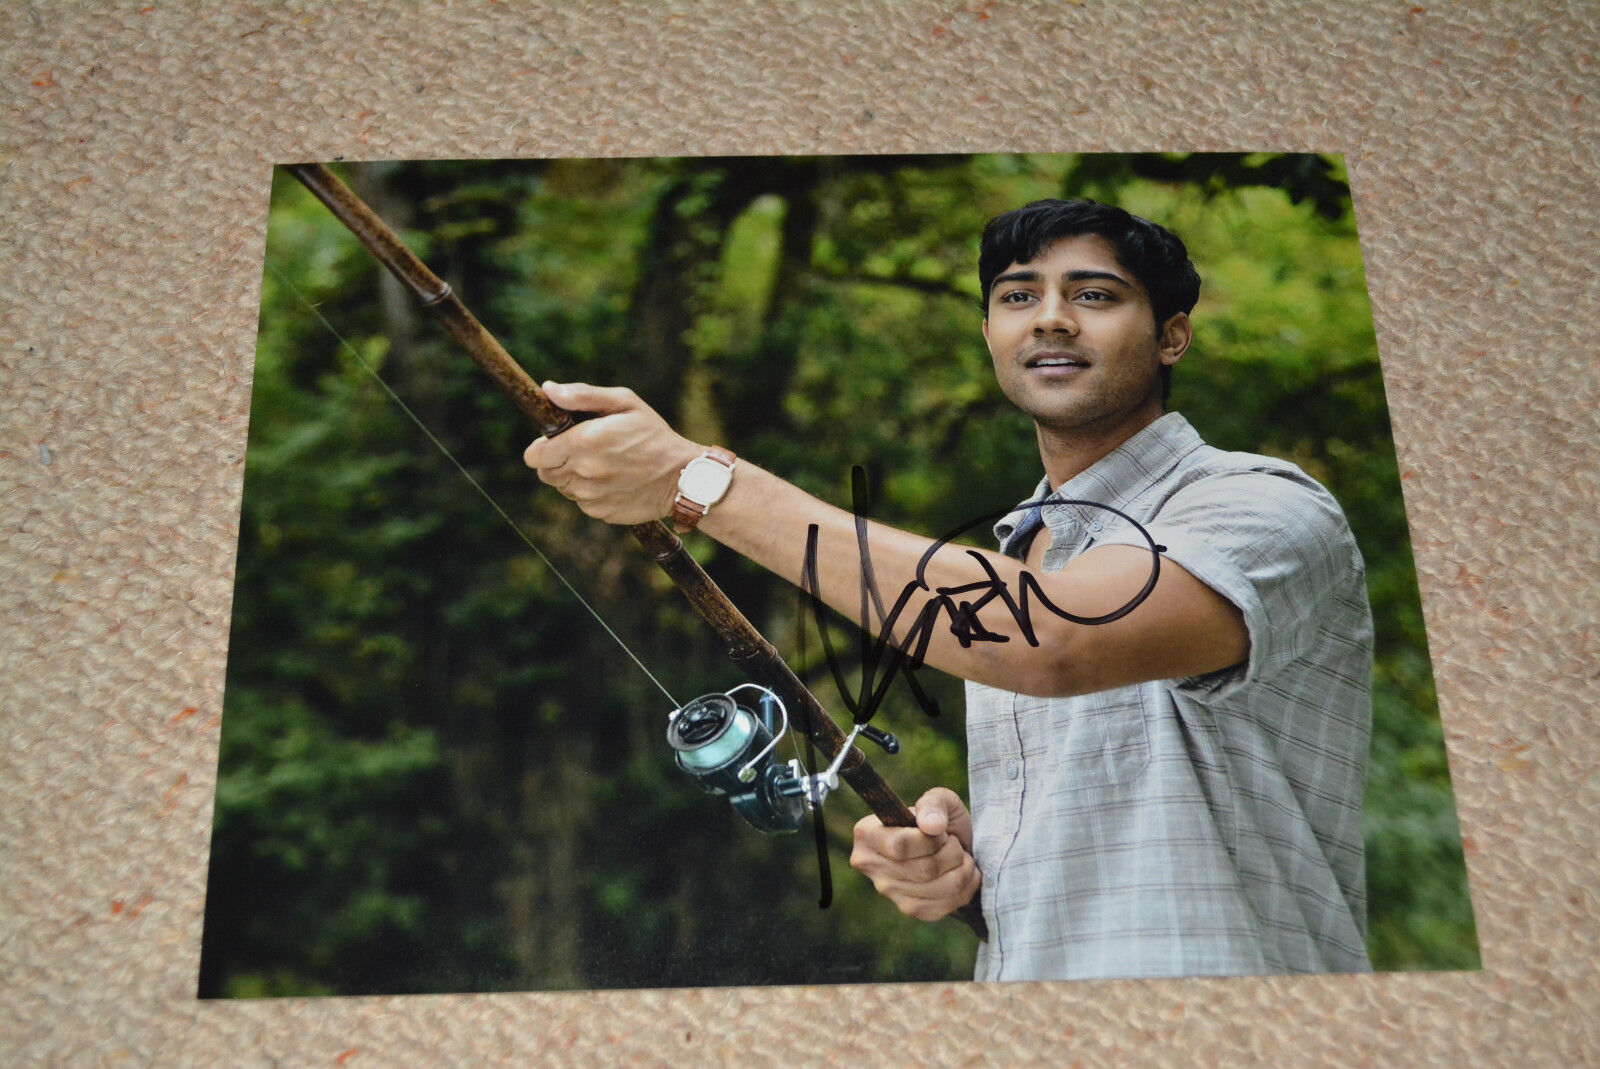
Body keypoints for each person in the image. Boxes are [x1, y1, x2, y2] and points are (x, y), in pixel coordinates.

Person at [522, 198, 1373, 981]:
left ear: (1172, 336)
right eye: (1016, 296)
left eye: (1096, 295)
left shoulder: (1264, 506)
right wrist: (967, 859)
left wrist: (697, 481)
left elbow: (1054, 639)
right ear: (991, 332)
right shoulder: (1022, 553)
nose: (1050, 317)